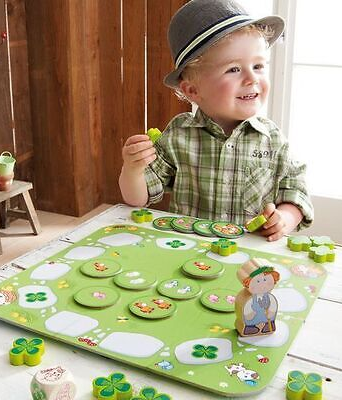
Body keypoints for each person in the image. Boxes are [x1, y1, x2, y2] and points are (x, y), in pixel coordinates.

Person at [119, 0, 313, 241]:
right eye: (234, 69)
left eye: (258, 65)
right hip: (187, 248)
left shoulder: (272, 139)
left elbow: (296, 192)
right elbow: (138, 198)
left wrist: (284, 218)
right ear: (192, 91)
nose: (252, 78)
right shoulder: (179, 135)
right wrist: (132, 169)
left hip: (247, 254)